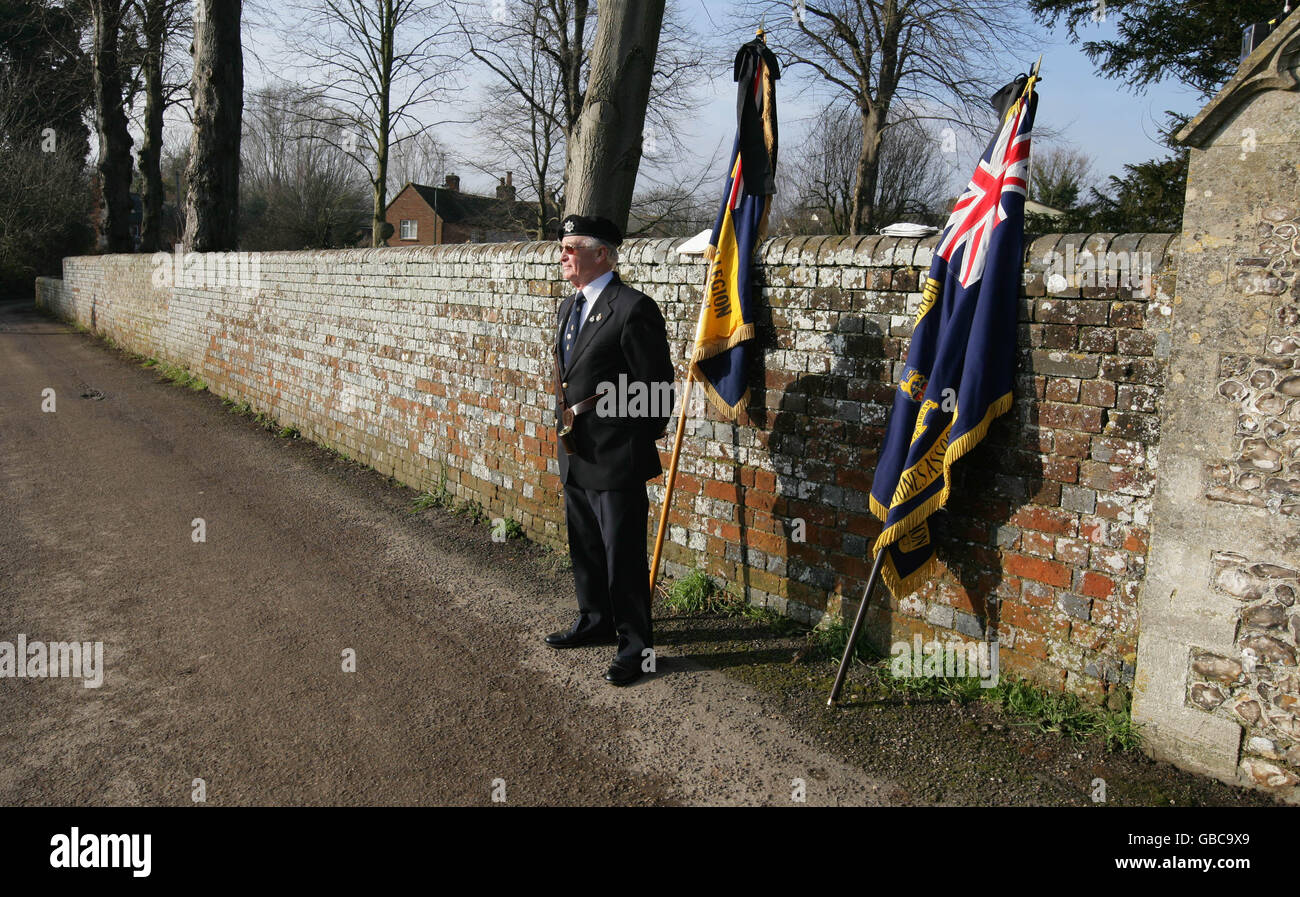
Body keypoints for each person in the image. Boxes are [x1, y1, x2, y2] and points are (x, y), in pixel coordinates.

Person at [545, 214, 674, 686]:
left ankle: (637, 647)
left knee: (623, 555)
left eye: (573, 247)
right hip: (575, 451)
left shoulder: (632, 308)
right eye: (563, 246)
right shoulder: (568, 306)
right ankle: (595, 619)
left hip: (615, 455)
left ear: (602, 254)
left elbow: (657, 390)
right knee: (585, 547)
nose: (564, 254)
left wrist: (626, 439)